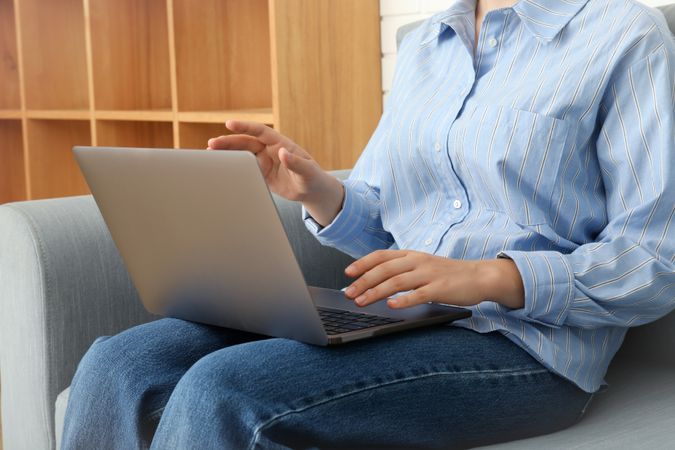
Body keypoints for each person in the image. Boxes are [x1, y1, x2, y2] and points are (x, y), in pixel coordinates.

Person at [62, 0, 675, 448]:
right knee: (120, 363)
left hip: (526, 346)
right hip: (396, 312)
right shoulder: (423, 44)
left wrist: (489, 277)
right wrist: (321, 191)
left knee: (226, 388)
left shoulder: (624, 36)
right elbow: (388, 223)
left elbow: (657, 257)